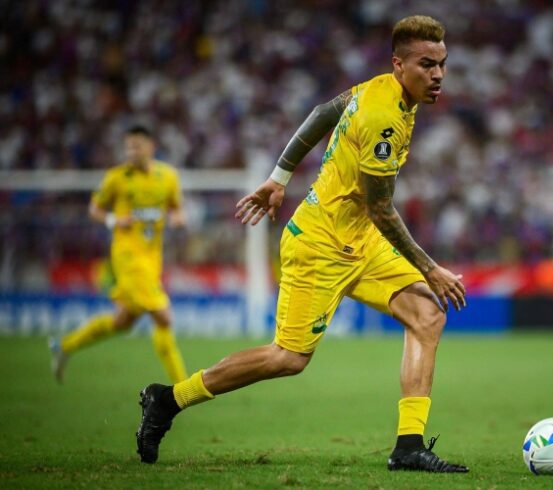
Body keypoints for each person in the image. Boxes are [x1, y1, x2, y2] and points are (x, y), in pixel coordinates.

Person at [135, 15, 468, 473]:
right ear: (398, 64)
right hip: (320, 245)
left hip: (360, 241)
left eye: (442, 63)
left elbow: (322, 112)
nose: (438, 74)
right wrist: (431, 267)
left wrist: (279, 177)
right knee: (288, 358)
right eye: (426, 65)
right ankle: (169, 399)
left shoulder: (378, 90)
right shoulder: (382, 118)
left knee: (427, 314)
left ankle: (409, 446)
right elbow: (381, 209)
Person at [49, 125, 188, 385]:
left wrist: (178, 218)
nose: (132, 152)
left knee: (123, 321)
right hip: (127, 257)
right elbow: (94, 209)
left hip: (152, 257)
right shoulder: (116, 178)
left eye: (137, 146)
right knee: (163, 316)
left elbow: (177, 208)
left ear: (151, 147)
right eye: (128, 147)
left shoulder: (168, 176)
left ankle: (64, 346)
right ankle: (183, 387)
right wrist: (113, 219)